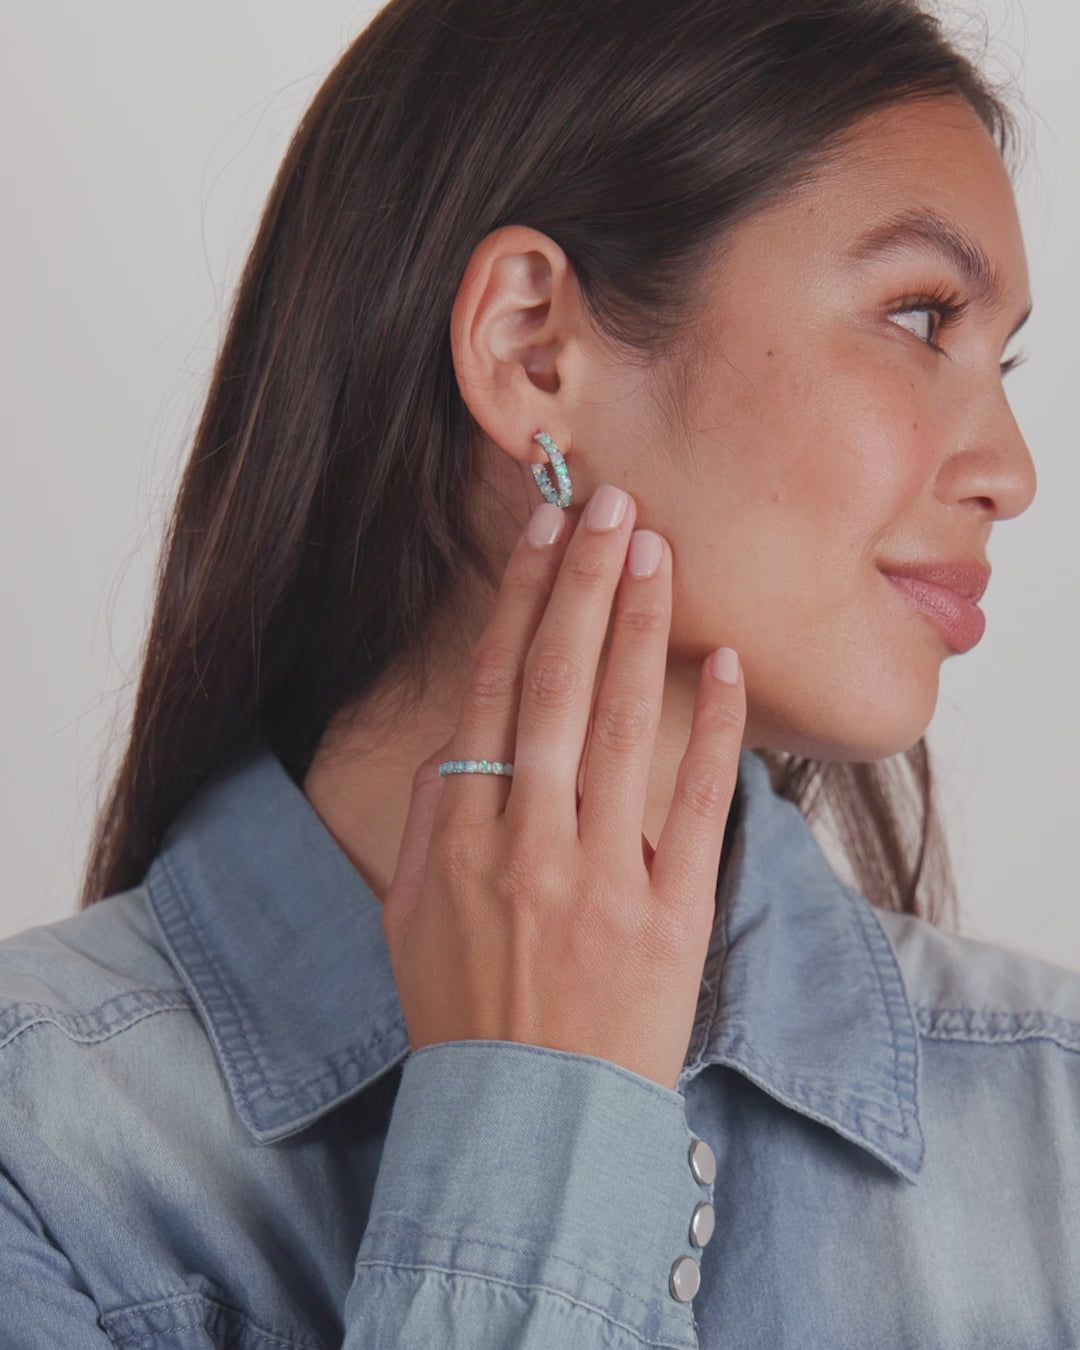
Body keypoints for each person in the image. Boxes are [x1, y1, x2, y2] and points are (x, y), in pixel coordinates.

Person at [2, 0, 1077, 1345]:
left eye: (1003, 359)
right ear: (532, 348)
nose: (1013, 473)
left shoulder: (1056, 1123)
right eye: (921, 317)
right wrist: (538, 1110)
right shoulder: (37, 1157)